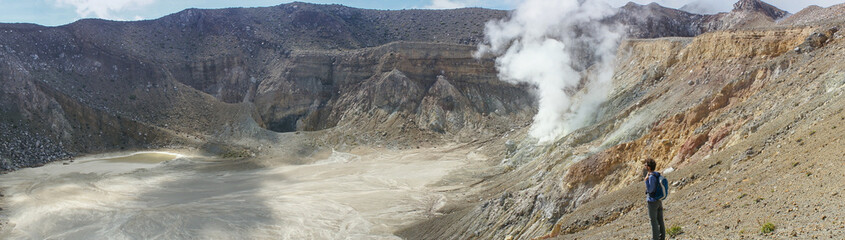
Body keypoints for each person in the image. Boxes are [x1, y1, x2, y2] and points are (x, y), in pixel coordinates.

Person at [644, 158, 665, 240]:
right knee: (660, 220)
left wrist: (646, 181)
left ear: (649, 167)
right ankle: (662, 237)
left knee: (654, 222)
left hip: (652, 202)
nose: (644, 166)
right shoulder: (656, 174)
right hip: (659, 200)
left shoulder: (652, 177)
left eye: (645, 165)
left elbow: (650, 190)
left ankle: (655, 238)